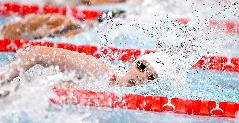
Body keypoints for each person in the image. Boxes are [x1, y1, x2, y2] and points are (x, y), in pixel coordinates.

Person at [0, 46, 174, 88]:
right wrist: (5, 77)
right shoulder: (99, 71)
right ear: (134, 62)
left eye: (151, 77)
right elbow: (38, 53)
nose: (141, 76)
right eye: (142, 67)